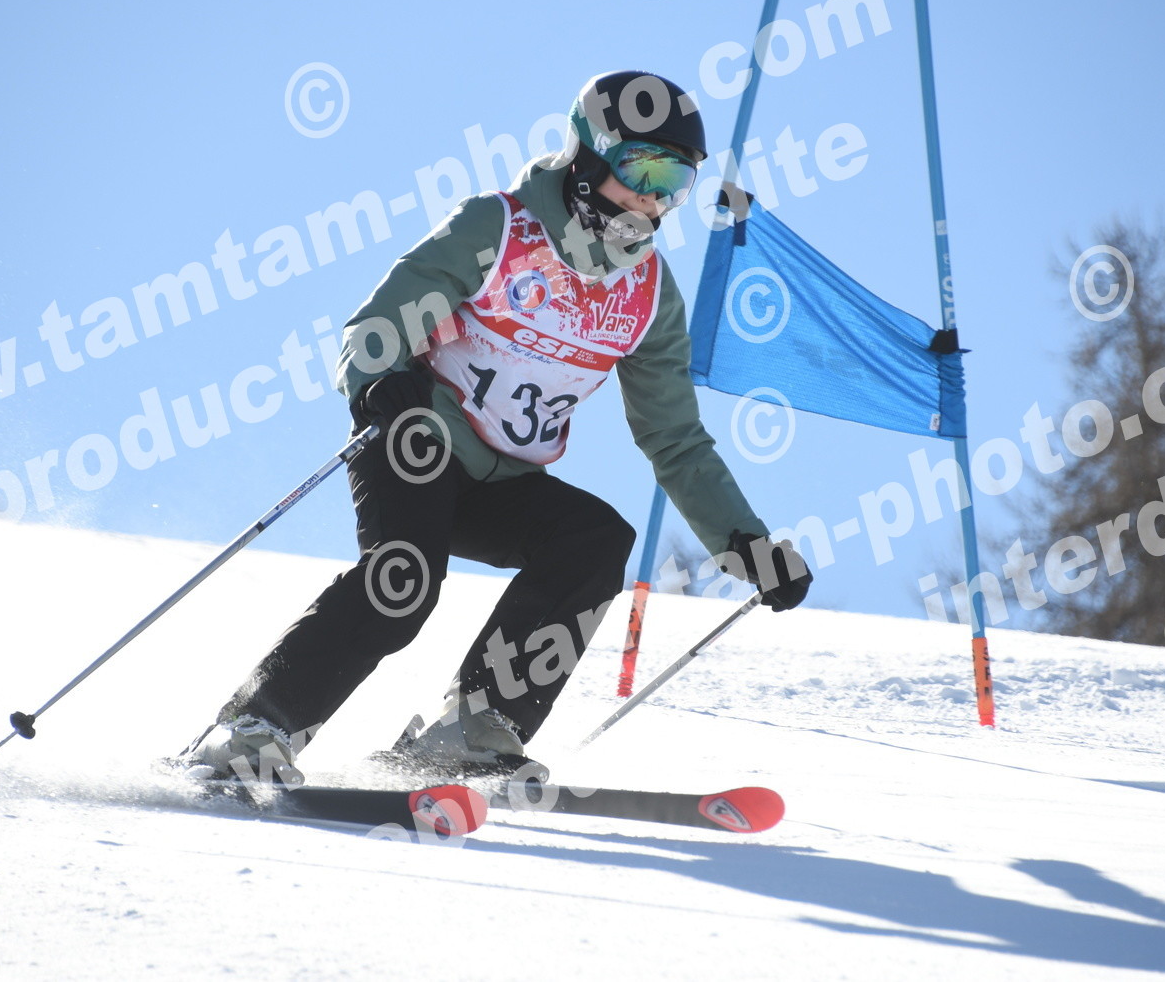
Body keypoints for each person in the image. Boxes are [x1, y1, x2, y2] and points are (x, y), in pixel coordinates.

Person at [185, 71, 811, 785]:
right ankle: (254, 727)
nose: (653, 198)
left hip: (505, 478)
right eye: (643, 170)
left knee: (595, 539)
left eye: (675, 182)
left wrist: (743, 543)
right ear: (588, 156)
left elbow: (673, 437)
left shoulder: (648, 295)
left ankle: (473, 727)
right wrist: (380, 377)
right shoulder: (499, 228)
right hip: (418, 440)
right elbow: (376, 325)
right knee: (403, 585)